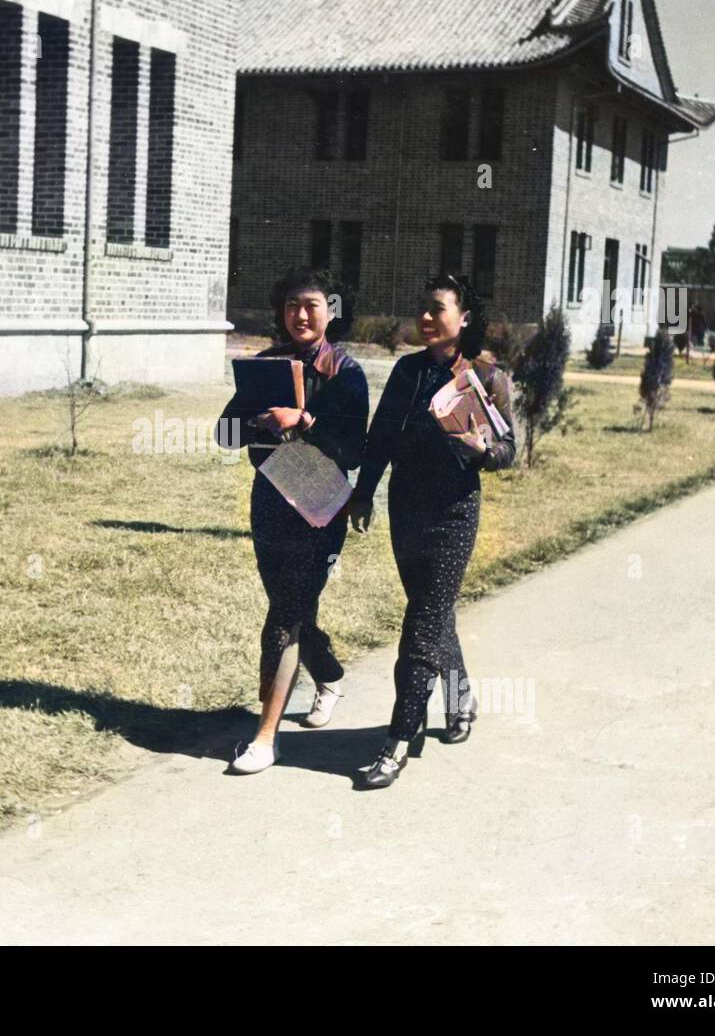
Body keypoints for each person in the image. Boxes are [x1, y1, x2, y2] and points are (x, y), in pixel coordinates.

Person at [346, 273, 516, 789]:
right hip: (407, 508)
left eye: (437, 309)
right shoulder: (406, 372)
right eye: (422, 308)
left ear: (463, 318)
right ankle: (460, 698)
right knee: (431, 608)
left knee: (420, 623)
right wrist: (364, 492)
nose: (425, 318)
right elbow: (379, 439)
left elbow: (507, 450)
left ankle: (399, 739)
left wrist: (482, 450)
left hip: (454, 513)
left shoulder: (487, 377)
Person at [215, 267, 369, 773]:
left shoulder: (346, 372)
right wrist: (258, 417)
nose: (301, 315)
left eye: (312, 305)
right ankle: (328, 675)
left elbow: (354, 448)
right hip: (271, 499)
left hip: (321, 506)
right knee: (290, 606)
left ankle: (265, 738)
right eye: (291, 306)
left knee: (284, 613)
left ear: (332, 311)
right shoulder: (266, 366)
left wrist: (303, 420)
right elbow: (225, 434)